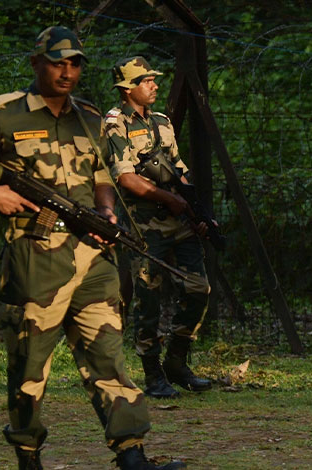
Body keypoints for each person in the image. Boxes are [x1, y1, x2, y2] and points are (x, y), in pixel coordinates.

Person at [0, 26, 185, 469]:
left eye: (74, 63)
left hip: (93, 256)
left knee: (108, 356)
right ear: (36, 63)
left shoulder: (91, 118)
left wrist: (107, 212)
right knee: (29, 365)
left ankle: (132, 455)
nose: (66, 71)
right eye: (58, 62)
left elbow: (101, 177)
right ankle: (28, 455)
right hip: (35, 257)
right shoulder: (2, 115)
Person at [104, 56, 212, 399]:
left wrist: (195, 212)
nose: (154, 84)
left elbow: (179, 171)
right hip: (144, 225)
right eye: (145, 80)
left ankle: (176, 362)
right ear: (127, 88)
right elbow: (126, 178)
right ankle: (152, 375)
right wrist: (169, 198)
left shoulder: (163, 121)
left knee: (198, 288)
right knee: (148, 299)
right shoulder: (115, 123)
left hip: (178, 220)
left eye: (153, 79)